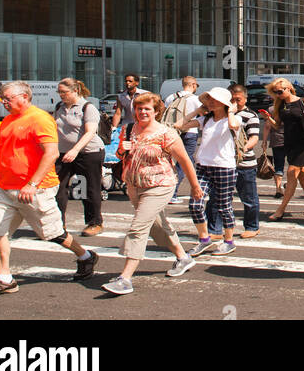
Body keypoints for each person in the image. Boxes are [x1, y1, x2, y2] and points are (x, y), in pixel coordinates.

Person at [0, 80, 97, 298]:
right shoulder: (7, 120)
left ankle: (85, 256)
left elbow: (51, 154)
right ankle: (4, 278)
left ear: (24, 96)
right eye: (3, 98)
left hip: (36, 190)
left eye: (8, 98)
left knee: (53, 234)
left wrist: (31, 184)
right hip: (5, 189)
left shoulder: (40, 119)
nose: (4, 102)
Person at [102, 91, 202, 295]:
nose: (142, 112)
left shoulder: (166, 133)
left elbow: (185, 161)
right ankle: (183, 257)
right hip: (134, 185)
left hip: (160, 185)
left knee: (138, 227)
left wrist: (195, 186)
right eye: (139, 109)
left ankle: (125, 278)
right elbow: (122, 156)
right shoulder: (129, 129)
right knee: (158, 225)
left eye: (147, 109)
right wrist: (122, 149)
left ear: (156, 111)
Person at [178, 88, 241, 256]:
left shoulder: (234, 119)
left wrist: (231, 111)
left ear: (224, 103)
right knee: (195, 205)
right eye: (209, 99)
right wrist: (196, 111)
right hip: (203, 166)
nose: (211, 102)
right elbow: (180, 125)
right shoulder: (205, 120)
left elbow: (234, 125)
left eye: (215, 99)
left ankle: (228, 241)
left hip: (224, 166)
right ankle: (204, 239)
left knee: (223, 206)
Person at [53, 77, 105, 237]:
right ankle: (56, 224)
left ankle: (94, 222)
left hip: (88, 153)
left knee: (88, 188)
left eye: (64, 92)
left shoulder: (87, 107)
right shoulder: (59, 107)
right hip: (63, 153)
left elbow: (90, 132)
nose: (61, 95)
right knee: (57, 188)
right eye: (59, 92)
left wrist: (75, 150)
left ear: (75, 91)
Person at [266, 78, 304, 220]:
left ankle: (281, 209)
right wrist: (268, 118)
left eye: (280, 91)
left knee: (292, 172)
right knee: (301, 172)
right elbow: (278, 125)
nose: (278, 94)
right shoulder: (280, 105)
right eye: (275, 92)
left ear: (289, 88)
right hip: (289, 142)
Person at [162, 75, 202, 203]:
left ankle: (165, 191)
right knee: (185, 162)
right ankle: (173, 193)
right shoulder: (195, 100)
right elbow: (203, 115)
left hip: (173, 132)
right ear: (193, 85)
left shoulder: (170, 97)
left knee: (170, 161)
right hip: (189, 132)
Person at [229, 83, 261, 238]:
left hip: (245, 163)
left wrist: (243, 150)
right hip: (226, 162)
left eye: (238, 99)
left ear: (245, 98)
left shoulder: (251, 115)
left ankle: (252, 226)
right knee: (219, 197)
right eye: (232, 99)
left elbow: (254, 137)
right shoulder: (225, 114)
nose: (235, 102)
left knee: (249, 198)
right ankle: (215, 228)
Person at [260, 104, 286, 199]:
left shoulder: (271, 109)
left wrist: (264, 141)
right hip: (292, 140)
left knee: (278, 165)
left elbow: (267, 126)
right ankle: (290, 183)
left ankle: (278, 189)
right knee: (295, 165)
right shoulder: (292, 107)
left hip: (277, 140)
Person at [113, 73, 141, 139]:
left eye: (130, 81)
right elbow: (118, 113)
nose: (127, 83)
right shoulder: (121, 96)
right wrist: (114, 128)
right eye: (126, 81)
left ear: (137, 83)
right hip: (127, 126)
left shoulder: (144, 94)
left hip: (141, 126)